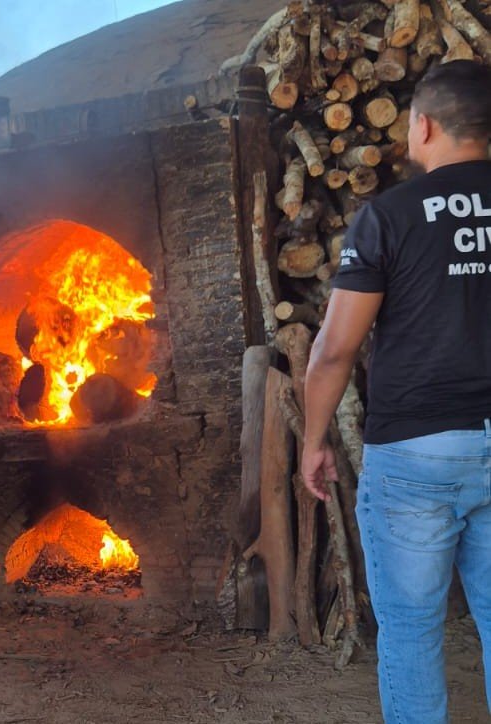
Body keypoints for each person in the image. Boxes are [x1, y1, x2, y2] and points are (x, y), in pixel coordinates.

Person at [301, 59, 491, 724]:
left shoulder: (391, 216)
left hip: (416, 455)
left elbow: (333, 350)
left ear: (425, 125)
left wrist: (315, 440)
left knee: (411, 632)